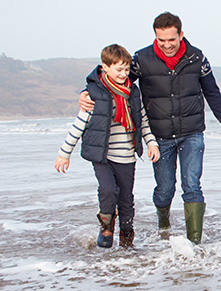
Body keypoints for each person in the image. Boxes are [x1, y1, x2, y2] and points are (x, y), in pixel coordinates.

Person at [80, 12, 221, 244]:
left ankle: (195, 246)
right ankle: (163, 225)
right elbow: (114, 77)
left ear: (181, 35)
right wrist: (87, 90)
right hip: (160, 136)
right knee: (165, 190)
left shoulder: (197, 58)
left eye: (171, 40)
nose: (166, 45)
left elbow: (212, 91)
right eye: (161, 40)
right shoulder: (142, 59)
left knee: (192, 185)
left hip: (192, 133)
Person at [57, 44, 160, 248]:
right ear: (105, 67)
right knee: (108, 190)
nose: (124, 74)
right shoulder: (95, 95)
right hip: (102, 155)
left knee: (126, 200)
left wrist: (151, 143)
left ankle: (126, 236)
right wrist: (64, 154)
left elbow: (143, 121)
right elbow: (79, 125)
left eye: (126, 69)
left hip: (127, 155)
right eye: (118, 69)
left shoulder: (133, 92)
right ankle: (106, 226)